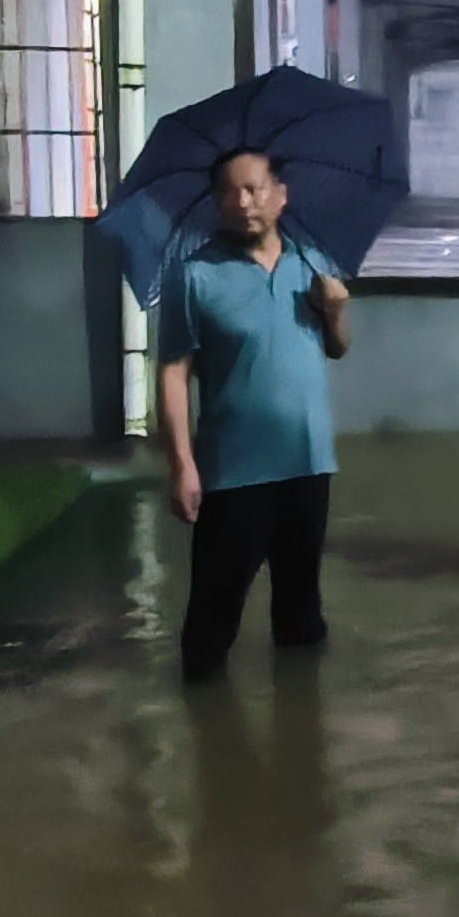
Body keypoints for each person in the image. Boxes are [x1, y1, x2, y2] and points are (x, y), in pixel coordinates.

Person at [158, 147, 350, 679]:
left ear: (280, 196)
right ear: (216, 203)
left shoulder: (312, 263)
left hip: (308, 462)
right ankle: (205, 715)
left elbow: (336, 349)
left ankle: (303, 717)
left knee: (302, 618)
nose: (242, 202)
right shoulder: (194, 275)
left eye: (254, 188)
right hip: (233, 472)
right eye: (229, 191)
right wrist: (181, 465)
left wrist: (336, 312)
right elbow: (173, 374)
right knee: (211, 624)